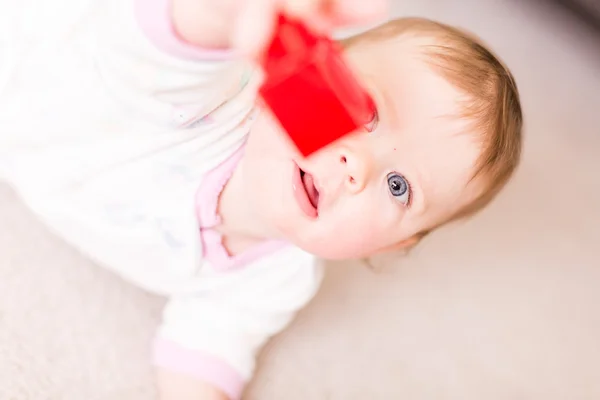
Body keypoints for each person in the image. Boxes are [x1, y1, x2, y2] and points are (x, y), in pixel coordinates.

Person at [0, 0, 523, 398]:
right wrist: (237, 19)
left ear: (392, 244)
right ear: (312, 67)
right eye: (364, 108)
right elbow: (171, 48)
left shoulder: (278, 279)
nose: (356, 167)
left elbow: (206, 349)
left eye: (399, 186)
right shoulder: (211, 99)